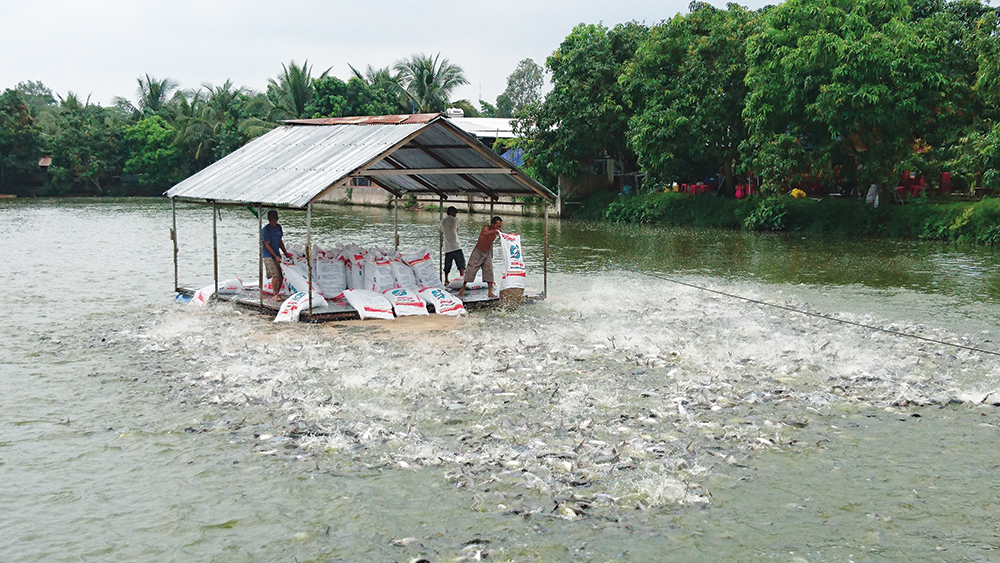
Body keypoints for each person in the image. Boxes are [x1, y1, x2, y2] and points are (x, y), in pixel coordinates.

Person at [460, 216, 502, 299]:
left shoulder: (497, 231)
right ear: (492, 224)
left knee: (489, 270)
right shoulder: (486, 228)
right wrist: (493, 231)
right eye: (497, 226)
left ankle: (490, 292)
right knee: (471, 270)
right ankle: (463, 288)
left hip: (487, 253)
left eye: (500, 226)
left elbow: (503, 237)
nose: (499, 228)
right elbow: (484, 233)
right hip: (478, 252)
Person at [261, 210, 291, 301]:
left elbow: (280, 241)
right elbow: (267, 244)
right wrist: (275, 256)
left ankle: (277, 293)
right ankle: (275, 295)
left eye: (274, 219)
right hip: (268, 255)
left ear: (277, 219)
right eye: (271, 220)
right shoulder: (265, 230)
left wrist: (285, 253)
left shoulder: (278, 227)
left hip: (277, 253)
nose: (273, 221)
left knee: (281, 275)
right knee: (276, 275)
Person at [440, 206, 465, 284]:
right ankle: (462, 278)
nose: (456, 215)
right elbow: (456, 229)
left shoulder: (443, 221)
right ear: (452, 212)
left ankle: (446, 280)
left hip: (447, 247)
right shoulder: (454, 220)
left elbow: (442, 231)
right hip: (456, 245)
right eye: (455, 213)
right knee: (461, 264)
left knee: (448, 264)